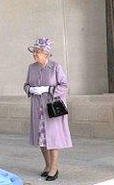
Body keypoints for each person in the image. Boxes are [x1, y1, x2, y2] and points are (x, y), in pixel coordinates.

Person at [23, 37, 71, 181]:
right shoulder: (32, 67)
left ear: (46, 53)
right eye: (34, 52)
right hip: (37, 108)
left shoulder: (55, 67)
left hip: (52, 107)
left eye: (37, 52)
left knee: (53, 138)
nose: (34, 54)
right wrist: (31, 89)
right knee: (41, 139)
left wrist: (49, 89)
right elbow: (25, 85)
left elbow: (64, 85)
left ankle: (54, 169)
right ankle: (48, 165)